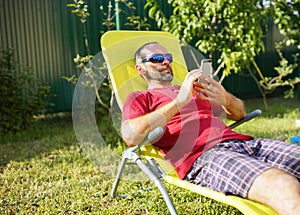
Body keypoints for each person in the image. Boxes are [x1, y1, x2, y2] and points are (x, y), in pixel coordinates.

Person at [121, 42, 300, 215]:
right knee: (281, 184)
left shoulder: (194, 89)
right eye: (157, 58)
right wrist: (179, 101)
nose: (166, 62)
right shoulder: (140, 98)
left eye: (167, 57)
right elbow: (130, 136)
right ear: (140, 68)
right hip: (205, 156)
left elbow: (239, 113)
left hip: (247, 144)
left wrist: (226, 98)